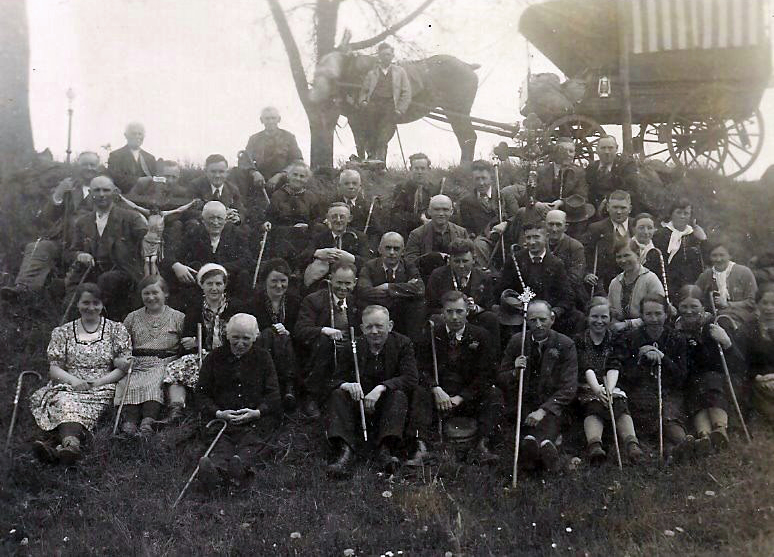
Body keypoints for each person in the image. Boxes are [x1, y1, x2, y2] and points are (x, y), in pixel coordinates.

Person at [310, 305, 418, 478]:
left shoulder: (402, 344)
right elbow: (333, 380)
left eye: (379, 326)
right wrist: (347, 385)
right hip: (357, 405)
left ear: (390, 326)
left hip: (387, 406)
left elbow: (411, 378)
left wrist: (382, 387)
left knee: (398, 395)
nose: (374, 331)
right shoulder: (353, 346)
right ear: (362, 328)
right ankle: (345, 452)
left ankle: (386, 450)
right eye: (369, 327)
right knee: (337, 395)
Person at [30, 283, 132, 464]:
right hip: (70, 382)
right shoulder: (64, 332)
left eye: (96, 303)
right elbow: (54, 368)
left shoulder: (116, 330)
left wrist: (97, 383)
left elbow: (122, 368)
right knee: (65, 401)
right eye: (85, 302)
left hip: (102, 385)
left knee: (83, 407)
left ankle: (59, 446)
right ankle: (70, 447)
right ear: (77, 303)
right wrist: (74, 381)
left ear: (102, 304)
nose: (91, 308)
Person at [409, 291, 504, 465]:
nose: (454, 317)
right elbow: (421, 368)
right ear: (442, 313)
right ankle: (422, 447)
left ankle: (483, 445)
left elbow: (487, 374)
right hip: (439, 397)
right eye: (449, 312)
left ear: (467, 311)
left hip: (468, 398)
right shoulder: (431, 335)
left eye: (459, 311)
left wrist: (462, 397)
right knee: (419, 393)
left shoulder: (481, 336)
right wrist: (435, 388)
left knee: (494, 394)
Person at [195, 313, 281, 489]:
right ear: (227, 335)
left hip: (254, 420)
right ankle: (215, 474)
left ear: (255, 337)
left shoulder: (263, 358)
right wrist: (218, 413)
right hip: (223, 420)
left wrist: (257, 412)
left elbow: (273, 394)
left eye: (246, 338)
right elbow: (201, 394)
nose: (240, 343)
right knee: (220, 444)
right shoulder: (214, 358)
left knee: (251, 444)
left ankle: (239, 470)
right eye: (235, 337)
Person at [1, 152, 99, 301]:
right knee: (39, 247)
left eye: (92, 165)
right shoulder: (69, 185)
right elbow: (47, 216)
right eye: (85, 164)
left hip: (89, 244)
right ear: (77, 166)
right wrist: (59, 193)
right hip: (63, 240)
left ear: (98, 167)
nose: (89, 168)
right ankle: (23, 289)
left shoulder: (104, 188)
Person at [498, 299, 578, 473]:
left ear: (552, 319)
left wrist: (543, 411)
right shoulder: (518, 341)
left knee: (546, 425)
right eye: (533, 320)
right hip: (524, 403)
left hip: (552, 406)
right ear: (526, 321)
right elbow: (501, 377)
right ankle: (540, 450)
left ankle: (537, 450)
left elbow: (569, 387)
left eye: (543, 319)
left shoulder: (565, 344)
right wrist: (515, 371)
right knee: (525, 426)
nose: (538, 325)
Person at [611, 295, 692, 462]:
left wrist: (663, 357)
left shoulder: (677, 338)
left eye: (658, 313)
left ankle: (684, 445)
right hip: (640, 392)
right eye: (648, 314)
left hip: (669, 391)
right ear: (641, 315)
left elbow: (681, 377)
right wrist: (641, 359)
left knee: (669, 416)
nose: (654, 319)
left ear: (666, 314)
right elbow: (625, 376)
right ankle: (674, 449)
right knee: (649, 415)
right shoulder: (631, 337)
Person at [163, 264, 244, 422]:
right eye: (209, 284)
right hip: (204, 354)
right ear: (202, 285)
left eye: (218, 284)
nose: (214, 288)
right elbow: (187, 338)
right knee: (175, 368)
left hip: (230, 355)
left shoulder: (236, 307)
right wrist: (193, 342)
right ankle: (177, 409)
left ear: (225, 285)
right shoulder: (195, 307)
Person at [64, 175, 148, 320]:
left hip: (124, 273)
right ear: (90, 193)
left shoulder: (131, 218)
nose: (102, 194)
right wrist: (79, 255)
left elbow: (148, 241)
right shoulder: (83, 222)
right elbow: (70, 251)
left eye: (106, 190)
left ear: (114, 192)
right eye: (97, 190)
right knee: (75, 294)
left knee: (106, 280)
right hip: (91, 273)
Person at [674, 285, 745, 454]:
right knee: (696, 387)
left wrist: (726, 342)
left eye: (694, 306)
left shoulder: (715, 324)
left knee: (710, 382)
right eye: (684, 306)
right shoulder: (675, 328)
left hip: (719, 380)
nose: (688, 311)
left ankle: (719, 429)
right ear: (678, 307)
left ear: (703, 306)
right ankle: (704, 435)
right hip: (691, 381)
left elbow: (739, 364)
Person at [574, 297, 644, 465]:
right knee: (593, 405)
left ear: (610, 318)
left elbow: (615, 363)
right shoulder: (579, 340)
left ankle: (631, 443)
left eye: (604, 317)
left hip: (612, 382)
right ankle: (595, 445)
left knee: (618, 402)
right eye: (594, 316)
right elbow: (586, 366)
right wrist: (598, 390)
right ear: (587, 317)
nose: (599, 321)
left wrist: (609, 389)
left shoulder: (616, 338)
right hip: (587, 384)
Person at [116, 275, 184, 435]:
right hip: (137, 362)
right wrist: (124, 358)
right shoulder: (132, 318)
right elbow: (122, 343)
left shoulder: (178, 317)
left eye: (155, 293)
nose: (151, 297)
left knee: (153, 382)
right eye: (146, 293)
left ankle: (148, 421)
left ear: (165, 294)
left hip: (164, 361)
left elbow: (184, 343)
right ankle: (129, 423)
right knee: (128, 383)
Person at [295, 262, 360, 419]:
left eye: (348, 283)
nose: (343, 288)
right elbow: (300, 330)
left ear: (355, 283)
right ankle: (311, 397)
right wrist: (324, 330)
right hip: (321, 353)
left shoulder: (355, 302)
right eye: (339, 282)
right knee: (325, 341)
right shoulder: (314, 300)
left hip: (347, 352)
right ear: (330, 279)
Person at [163, 201, 252, 309]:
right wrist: (176, 265)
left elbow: (247, 260)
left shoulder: (236, 235)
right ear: (203, 220)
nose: (215, 222)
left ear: (225, 220)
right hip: (198, 288)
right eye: (211, 218)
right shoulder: (193, 234)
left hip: (228, 286)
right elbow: (171, 254)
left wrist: (218, 269)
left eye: (219, 218)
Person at [426, 238, 501, 357]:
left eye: (465, 261)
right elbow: (430, 306)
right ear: (450, 260)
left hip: (474, 318)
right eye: (457, 261)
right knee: (436, 320)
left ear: (474, 260)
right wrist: (450, 311)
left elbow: (489, 304)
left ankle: (492, 359)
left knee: (491, 318)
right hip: (448, 318)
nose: (461, 266)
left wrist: (475, 308)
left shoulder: (483, 277)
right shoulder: (438, 275)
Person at [498, 221, 576, 335]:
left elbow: (567, 295)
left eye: (536, 237)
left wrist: (554, 312)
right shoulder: (515, 260)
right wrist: (516, 304)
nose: (532, 242)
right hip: (519, 316)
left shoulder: (556, 264)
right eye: (528, 238)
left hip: (546, 317)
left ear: (546, 237)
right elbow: (504, 288)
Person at [245, 258, 302, 410]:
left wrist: (287, 332)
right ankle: (285, 387)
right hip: (263, 345)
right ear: (265, 281)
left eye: (283, 281)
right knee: (270, 334)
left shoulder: (295, 302)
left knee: (283, 338)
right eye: (274, 281)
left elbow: (300, 328)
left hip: (289, 347)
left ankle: (287, 389)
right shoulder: (254, 302)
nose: (279, 285)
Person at [357, 232, 425, 343]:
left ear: (403, 252)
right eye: (388, 248)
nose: (392, 253)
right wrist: (402, 292)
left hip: (402, 316)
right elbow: (363, 291)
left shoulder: (408, 266)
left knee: (417, 304)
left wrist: (388, 287)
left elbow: (420, 289)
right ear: (380, 249)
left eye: (396, 249)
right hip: (378, 314)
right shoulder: (370, 266)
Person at [358, 43, 411, 161]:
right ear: (379, 56)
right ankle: (370, 163)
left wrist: (400, 109)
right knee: (371, 136)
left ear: (392, 56)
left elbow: (406, 92)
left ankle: (381, 164)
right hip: (373, 107)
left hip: (389, 108)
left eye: (388, 54)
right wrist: (363, 101)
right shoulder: (372, 73)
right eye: (383, 55)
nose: (386, 57)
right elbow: (364, 91)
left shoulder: (399, 72)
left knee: (383, 138)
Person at [300, 203, 369, 289]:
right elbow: (303, 256)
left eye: (342, 217)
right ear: (328, 218)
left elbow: (367, 262)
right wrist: (317, 253)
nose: (338, 220)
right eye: (334, 217)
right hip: (324, 283)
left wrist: (352, 258)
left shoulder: (359, 237)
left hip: (350, 283)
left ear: (349, 219)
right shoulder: (319, 237)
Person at [582, 190, 635, 296]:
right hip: (604, 284)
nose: (619, 212)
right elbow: (584, 254)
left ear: (630, 209)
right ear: (607, 208)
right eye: (615, 207)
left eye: (623, 208)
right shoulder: (596, 228)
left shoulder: (636, 226)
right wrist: (586, 274)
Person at [696, 238, 758, 327]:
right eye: (714, 255)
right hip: (715, 317)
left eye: (722, 255)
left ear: (730, 256)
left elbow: (753, 301)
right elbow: (696, 297)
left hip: (742, 317)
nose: (718, 259)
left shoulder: (744, 272)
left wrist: (728, 304)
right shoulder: (706, 275)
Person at [404, 195, 468, 281]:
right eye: (437, 209)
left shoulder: (461, 232)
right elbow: (410, 261)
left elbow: (468, 259)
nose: (441, 214)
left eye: (445, 210)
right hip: (426, 278)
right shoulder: (417, 234)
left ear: (451, 212)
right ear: (429, 211)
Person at [608, 239, 666, 331]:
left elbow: (659, 313)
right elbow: (611, 312)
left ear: (638, 254)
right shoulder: (615, 283)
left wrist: (627, 324)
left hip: (646, 331)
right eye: (619, 257)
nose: (623, 260)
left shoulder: (650, 279)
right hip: (619, 332)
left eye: (627, 255)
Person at [653, 198, 707, 296]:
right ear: (671, 214)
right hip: (666, 282)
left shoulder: (694, 235)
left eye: (686, 213)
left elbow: (704, 260)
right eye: (678, 212)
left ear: (690, 216)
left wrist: (703, 240)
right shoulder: (660, 235)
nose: (682, 216)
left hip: (690, 284)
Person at [459, 159, 506, 267]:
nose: (481, 183)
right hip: (482, 241)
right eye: (477, 179)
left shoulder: (502, 195)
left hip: (504, 237)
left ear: (491, 178)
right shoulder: (466, 202)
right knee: (478, 244)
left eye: (484, 178)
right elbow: (466, 227)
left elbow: (515, 216)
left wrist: (505, 223)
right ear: (472, 179)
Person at [242, 106, 303, 190]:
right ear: (261, 120)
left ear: (279, 119)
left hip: (284, 181)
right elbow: (245, 159)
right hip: (259, 182)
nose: (270, 122)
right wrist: (254, 172)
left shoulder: (289, 137)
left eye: (273, 118)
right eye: (267, 119)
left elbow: (297, 160)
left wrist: (280, 175)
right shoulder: (254, 139)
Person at [529, 138, 587, 216]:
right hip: (542, 213)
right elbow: (529, 195)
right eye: (563, 151)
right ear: (555, 152)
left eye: (571, 151)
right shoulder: (541, 171)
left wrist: (562, 202)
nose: (568, 154)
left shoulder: (579, 173)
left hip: (567, 215)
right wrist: (538, 204)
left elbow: (582, 197)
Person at [390, 153, 441, 239]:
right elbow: (396, 214)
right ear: (410, 169)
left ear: (428, 170)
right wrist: (419, 219)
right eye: (416, 168)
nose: (419, 172)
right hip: (407, 232)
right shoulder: (402, 189)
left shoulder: (435, 189)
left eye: (423, 168)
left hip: (431, 232)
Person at [545, 209, 587, 308]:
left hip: (568, 297)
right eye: (550, 224)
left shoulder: (575, 247)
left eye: (558, 225)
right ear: (544, 225)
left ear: (566, 227)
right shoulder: (540, 244)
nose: (554, 229)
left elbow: (575, 278)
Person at [189, 154, 246, 225]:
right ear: (206, 172)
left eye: (221, 172)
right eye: (213, 172)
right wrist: (220, 215)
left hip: (225, 225)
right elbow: (190, 211)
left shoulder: (232, 189)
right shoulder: (196, 186)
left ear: (227, 173)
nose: (217, 175)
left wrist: (238, 218)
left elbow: (241, 210)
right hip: (204, 224)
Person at [585, 136, 635, 213]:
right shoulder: (591, 168)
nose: (607, 152)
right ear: (597, 150)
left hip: (618, 212)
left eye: (610, 148)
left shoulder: (626, 167)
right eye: (603, 148)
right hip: (594, 213)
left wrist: (608, 199)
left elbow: (631, 191)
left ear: (616, 148)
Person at [747, 285, 774, 422]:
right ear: (757, 304)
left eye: (773, 303)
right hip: (759, 382)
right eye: (765, 303)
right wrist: (757, 377)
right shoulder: (750, 328)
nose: (769, 308)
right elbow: (743, 360)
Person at [107, 122, 158, 194]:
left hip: (146, 197)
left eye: (140, 134)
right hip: (124, 195)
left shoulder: (150, 158)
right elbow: (115, 178)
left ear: (144, 136)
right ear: (126, 135)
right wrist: (138, 181)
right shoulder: (116, 156)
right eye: (134, 134)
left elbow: (154, 180)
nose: (137, 136)